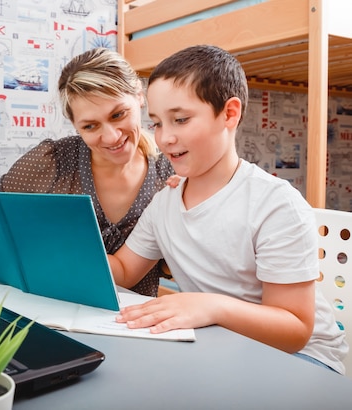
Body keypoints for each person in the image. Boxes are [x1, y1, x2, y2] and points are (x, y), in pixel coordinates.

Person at [108, 44, 348, 373]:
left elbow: (294, 330)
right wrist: (62, 253)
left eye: (180, 119)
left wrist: (212, 307)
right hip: (223, 342)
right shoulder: (164, 202)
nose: (165, 138)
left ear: (229, 114)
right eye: (157, 124)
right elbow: (123, 269)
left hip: (302, 359)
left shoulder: (275, 204)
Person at [0, 47, 176, 296]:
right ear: (74, 125)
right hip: (48, 315)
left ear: (139, 96)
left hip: (134, 327)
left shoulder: (172, 176)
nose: (111, 136)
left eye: (118, 114)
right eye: (90, 126)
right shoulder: (51, 162)